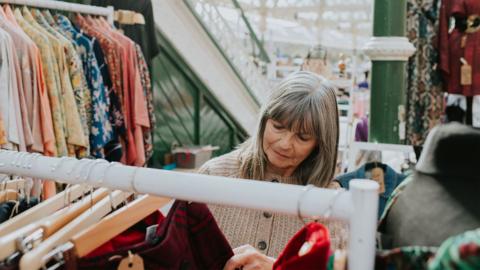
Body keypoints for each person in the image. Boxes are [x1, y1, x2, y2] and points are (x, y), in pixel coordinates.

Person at [197, 71, 348, 270]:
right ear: (264, 120)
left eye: (302, 137)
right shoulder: (213, 175)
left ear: (320, 145)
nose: (285, 144)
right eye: (278, 127)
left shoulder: (331, 203)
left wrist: (277, 267)